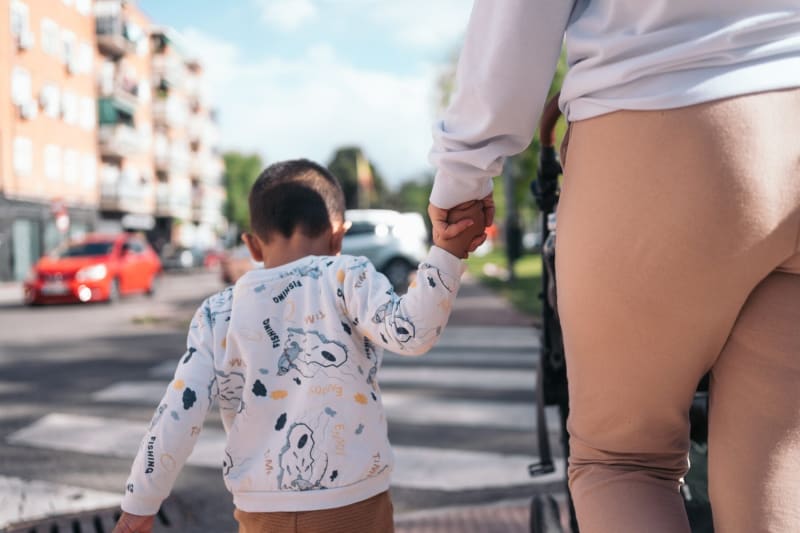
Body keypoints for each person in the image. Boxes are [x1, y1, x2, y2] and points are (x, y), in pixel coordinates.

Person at [428, 1, 800, 532]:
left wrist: (461, 176)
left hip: (664, 107)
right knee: (780, 465)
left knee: (624, 462)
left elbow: (515, 24)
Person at [112, 159, 483, 533]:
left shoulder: (217, 312)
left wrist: (140, 503)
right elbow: (411, 332)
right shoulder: (346, 276)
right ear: (339, 236)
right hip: (353, 503)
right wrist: (448, 255)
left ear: (252, 246)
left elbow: (178, 413)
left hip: (260, 511)